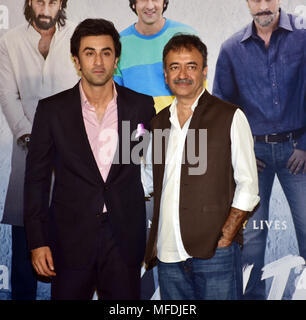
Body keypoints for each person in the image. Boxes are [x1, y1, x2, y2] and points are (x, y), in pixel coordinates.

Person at [23, 18, 155, 300]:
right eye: (89, 52)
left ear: (116, 59)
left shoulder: (142, 106)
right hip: (69, 240)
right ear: (76, 60)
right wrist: (37, 241)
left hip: (123, 238)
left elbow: (153, 163)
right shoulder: (51, 111)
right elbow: (36, 180)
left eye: (106, 52)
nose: (98, 61)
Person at [143, 34, 260, 300]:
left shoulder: (229, 116)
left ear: (204, 71)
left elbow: (249, 183)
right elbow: (147, 180)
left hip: (214, 252)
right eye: (175, 67)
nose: (182, 74)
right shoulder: (158, 123)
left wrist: (227, 234)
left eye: (191, 66)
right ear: (165, 74)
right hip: (167, 254)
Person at [213, 0, 306, 299]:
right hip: (255, 157)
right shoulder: (231, 50)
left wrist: (305, 145)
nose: (263, 5)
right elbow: (222, 109)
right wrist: (243, 152)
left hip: (299, 153)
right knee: (251, 238)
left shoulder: (303, 38)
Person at [0, 0, 79, 300]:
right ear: (29, 3)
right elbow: (8, 96)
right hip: (27, 152)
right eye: (40, 1)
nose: (46, 8)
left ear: (61, 4)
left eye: (53, 1)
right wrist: (32, 139)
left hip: (72, 156)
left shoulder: (78, 37)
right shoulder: (9, 42)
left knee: (71, 248)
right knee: (24, 248)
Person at [114, 0, 197, 113]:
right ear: (134, 3)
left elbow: (198, 93)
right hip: (137, 128)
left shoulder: (187, 36)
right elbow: (116, 98)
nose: (150, 6)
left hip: (179, 125)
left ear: (164, 2)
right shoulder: (119, 43)